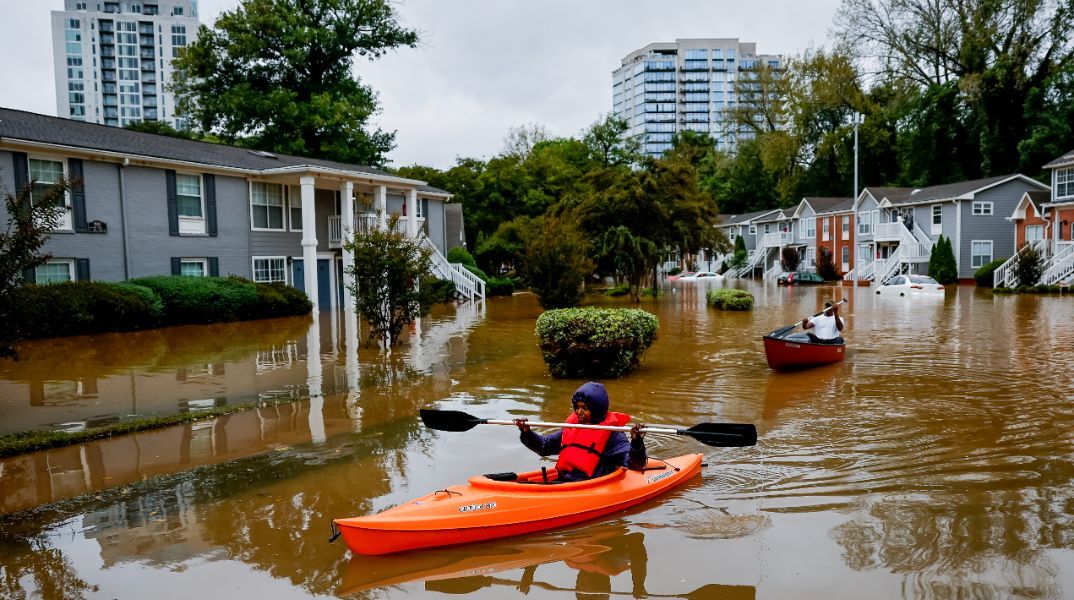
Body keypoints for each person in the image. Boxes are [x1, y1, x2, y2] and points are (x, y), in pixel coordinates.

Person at [514, 382, 646, 482]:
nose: (579, 411)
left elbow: (634, 464)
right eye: (577, 407)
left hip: (591, 485)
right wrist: (527, 433)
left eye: (584, 408)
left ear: (597, 410)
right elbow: (544, 447)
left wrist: (636, 442)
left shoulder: (612, 434)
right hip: (565, 482)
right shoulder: (573, 428)